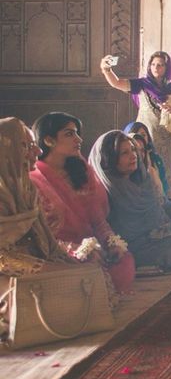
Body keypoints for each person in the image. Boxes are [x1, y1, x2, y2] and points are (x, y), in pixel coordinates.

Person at [31, 112, 135, 293]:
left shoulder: (82, 172)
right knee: (85, 272)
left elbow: (98, 221)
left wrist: (111, 243)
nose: (78, 139)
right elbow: (43, 237)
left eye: (77, 132)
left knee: (123, 261)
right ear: (49, 140)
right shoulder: (35, 180)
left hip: (93, 248)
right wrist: (80, 252)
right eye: (69, 134)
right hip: (55, 253)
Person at [90, 131, 171, 272]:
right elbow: (106, 229)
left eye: (133, 150)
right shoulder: (105, 191)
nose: (133, 156)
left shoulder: (144, 180)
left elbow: (165, 205)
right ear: (109, 159)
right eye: (124, 153)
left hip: (163, 235)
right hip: (136, 247)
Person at [100, 51, 171, 196]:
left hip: (167, 140)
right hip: (145, 137)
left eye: (160, 65)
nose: (156, 68)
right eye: (153, 64)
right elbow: (117, 83)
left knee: (167, 173)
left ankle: (166, 207)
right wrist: (106, 69)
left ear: (167, 68)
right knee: (145, 171)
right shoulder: (142, 85)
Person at [0, 116, 72, 279]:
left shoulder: (28, 190)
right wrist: (48, 269)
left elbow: (47, 244)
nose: (38, 151)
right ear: (6, 152)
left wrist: (70, 262)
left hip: (33, 279)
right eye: (27, 146)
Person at [123, 121, 168, 196]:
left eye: (143, 135)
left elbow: (163, 189)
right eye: (134, 149)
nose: (139, 137)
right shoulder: (125, 166)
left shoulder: (156, 159)